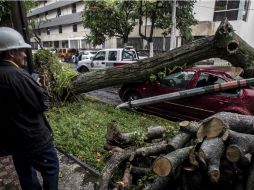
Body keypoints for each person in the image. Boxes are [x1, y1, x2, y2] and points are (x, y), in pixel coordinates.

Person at [0, 27, 59, 190]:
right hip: (34, 139)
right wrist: (38, 87)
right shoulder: (18, 75)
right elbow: (42, 104)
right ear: (11, 53)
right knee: (51, 169)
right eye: (22, 51)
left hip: (13, 139)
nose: (25, 55)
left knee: (25, 172)